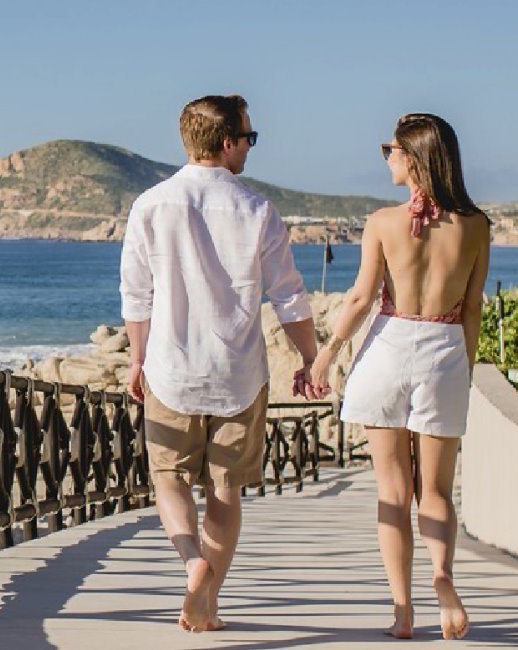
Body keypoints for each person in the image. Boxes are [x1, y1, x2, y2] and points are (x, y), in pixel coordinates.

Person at [119, 94, 323, 633]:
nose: (252, 147)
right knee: (225, 490)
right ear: (228, 142)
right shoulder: (258, 210)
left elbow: (137, 297)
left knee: (168, 477)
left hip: (171, 369)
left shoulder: (150, 205)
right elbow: (289, 297)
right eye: (249, 138)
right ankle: (208, 603)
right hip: (239, 374)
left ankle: (192, 561)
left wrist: (137, 359)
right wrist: (310, 358)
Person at [310, 113, 488, 640]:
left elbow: (361, 298)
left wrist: (327, 354)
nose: (386, 157)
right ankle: (442, 576)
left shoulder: (383, 222)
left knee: (392, 492)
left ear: (413, 158)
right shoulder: (476, 225)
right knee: (436, 491)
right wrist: (464, 367)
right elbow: (472, 308)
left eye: (390, 149)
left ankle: (403, 612)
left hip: (388, 349)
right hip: (444, 348)